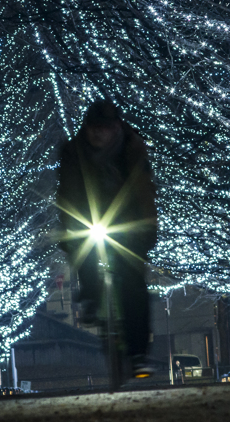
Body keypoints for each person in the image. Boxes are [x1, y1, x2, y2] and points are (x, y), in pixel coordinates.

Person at [56, 99, 158, 378]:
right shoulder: (72, 152)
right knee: (82, 248)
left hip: (127, 219)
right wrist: (68, 230)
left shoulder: (132, 148)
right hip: (89, 215)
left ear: (116, 128)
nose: (98, 134)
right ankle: (90, 297)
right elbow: (67, 194)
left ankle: (138, 354)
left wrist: (148, 227)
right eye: (94, 128)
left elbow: (144, 190)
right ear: (86, 128)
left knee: (134, 283)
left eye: (105, 129)